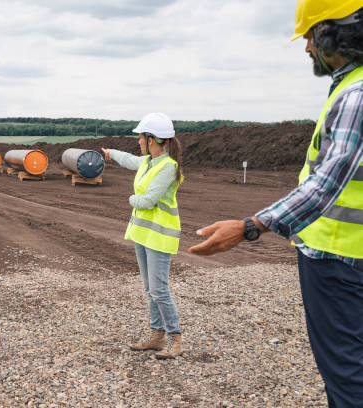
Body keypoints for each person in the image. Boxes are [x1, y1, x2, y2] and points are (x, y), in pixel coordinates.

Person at [189, 1, 363, 406]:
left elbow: (324, 185)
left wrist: (251, 226)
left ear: (335, 32)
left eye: (308, 37)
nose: (305, 49)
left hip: (339, 260)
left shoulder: (356, 95)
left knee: (348, 377)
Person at [102, 112, 185, 359]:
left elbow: (148, 200)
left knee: (159, 290)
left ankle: (175, 339)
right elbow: (130, 160)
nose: (138, 141)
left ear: (151, 139)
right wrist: (110, 153)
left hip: (159, 236)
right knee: (150, 289)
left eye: (140, 137)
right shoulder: (149, 161)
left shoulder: (168, 167)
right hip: (143, 234)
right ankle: (157, 337)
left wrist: (130, 199)